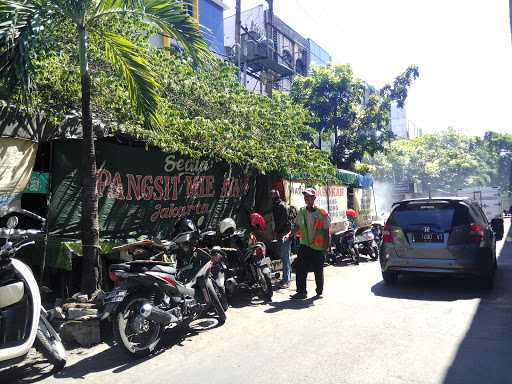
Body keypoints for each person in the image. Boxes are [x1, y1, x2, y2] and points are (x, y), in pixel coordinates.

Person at [290, 188, 331, 299]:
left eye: (308, 196)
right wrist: (289, 234)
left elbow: (327, 230)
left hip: (318, 247)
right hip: (304, 245)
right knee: (300, 268)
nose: (306, 198)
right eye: (305, 197)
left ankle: (319, 290)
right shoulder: (302, 211)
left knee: (318, 270)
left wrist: (326, 247)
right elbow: (297, 226)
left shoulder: (322, 213)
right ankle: (301, 292)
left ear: (314, 198)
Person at [270, 189, 292, 288]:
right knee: (284, 257)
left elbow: (282, 221)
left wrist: (276, 231)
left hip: (284, 233)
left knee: (285, 257)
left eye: (272, 196)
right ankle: (286, 279)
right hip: (283, 232)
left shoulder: (281, 206)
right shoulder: (278, 205)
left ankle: (286, 280)